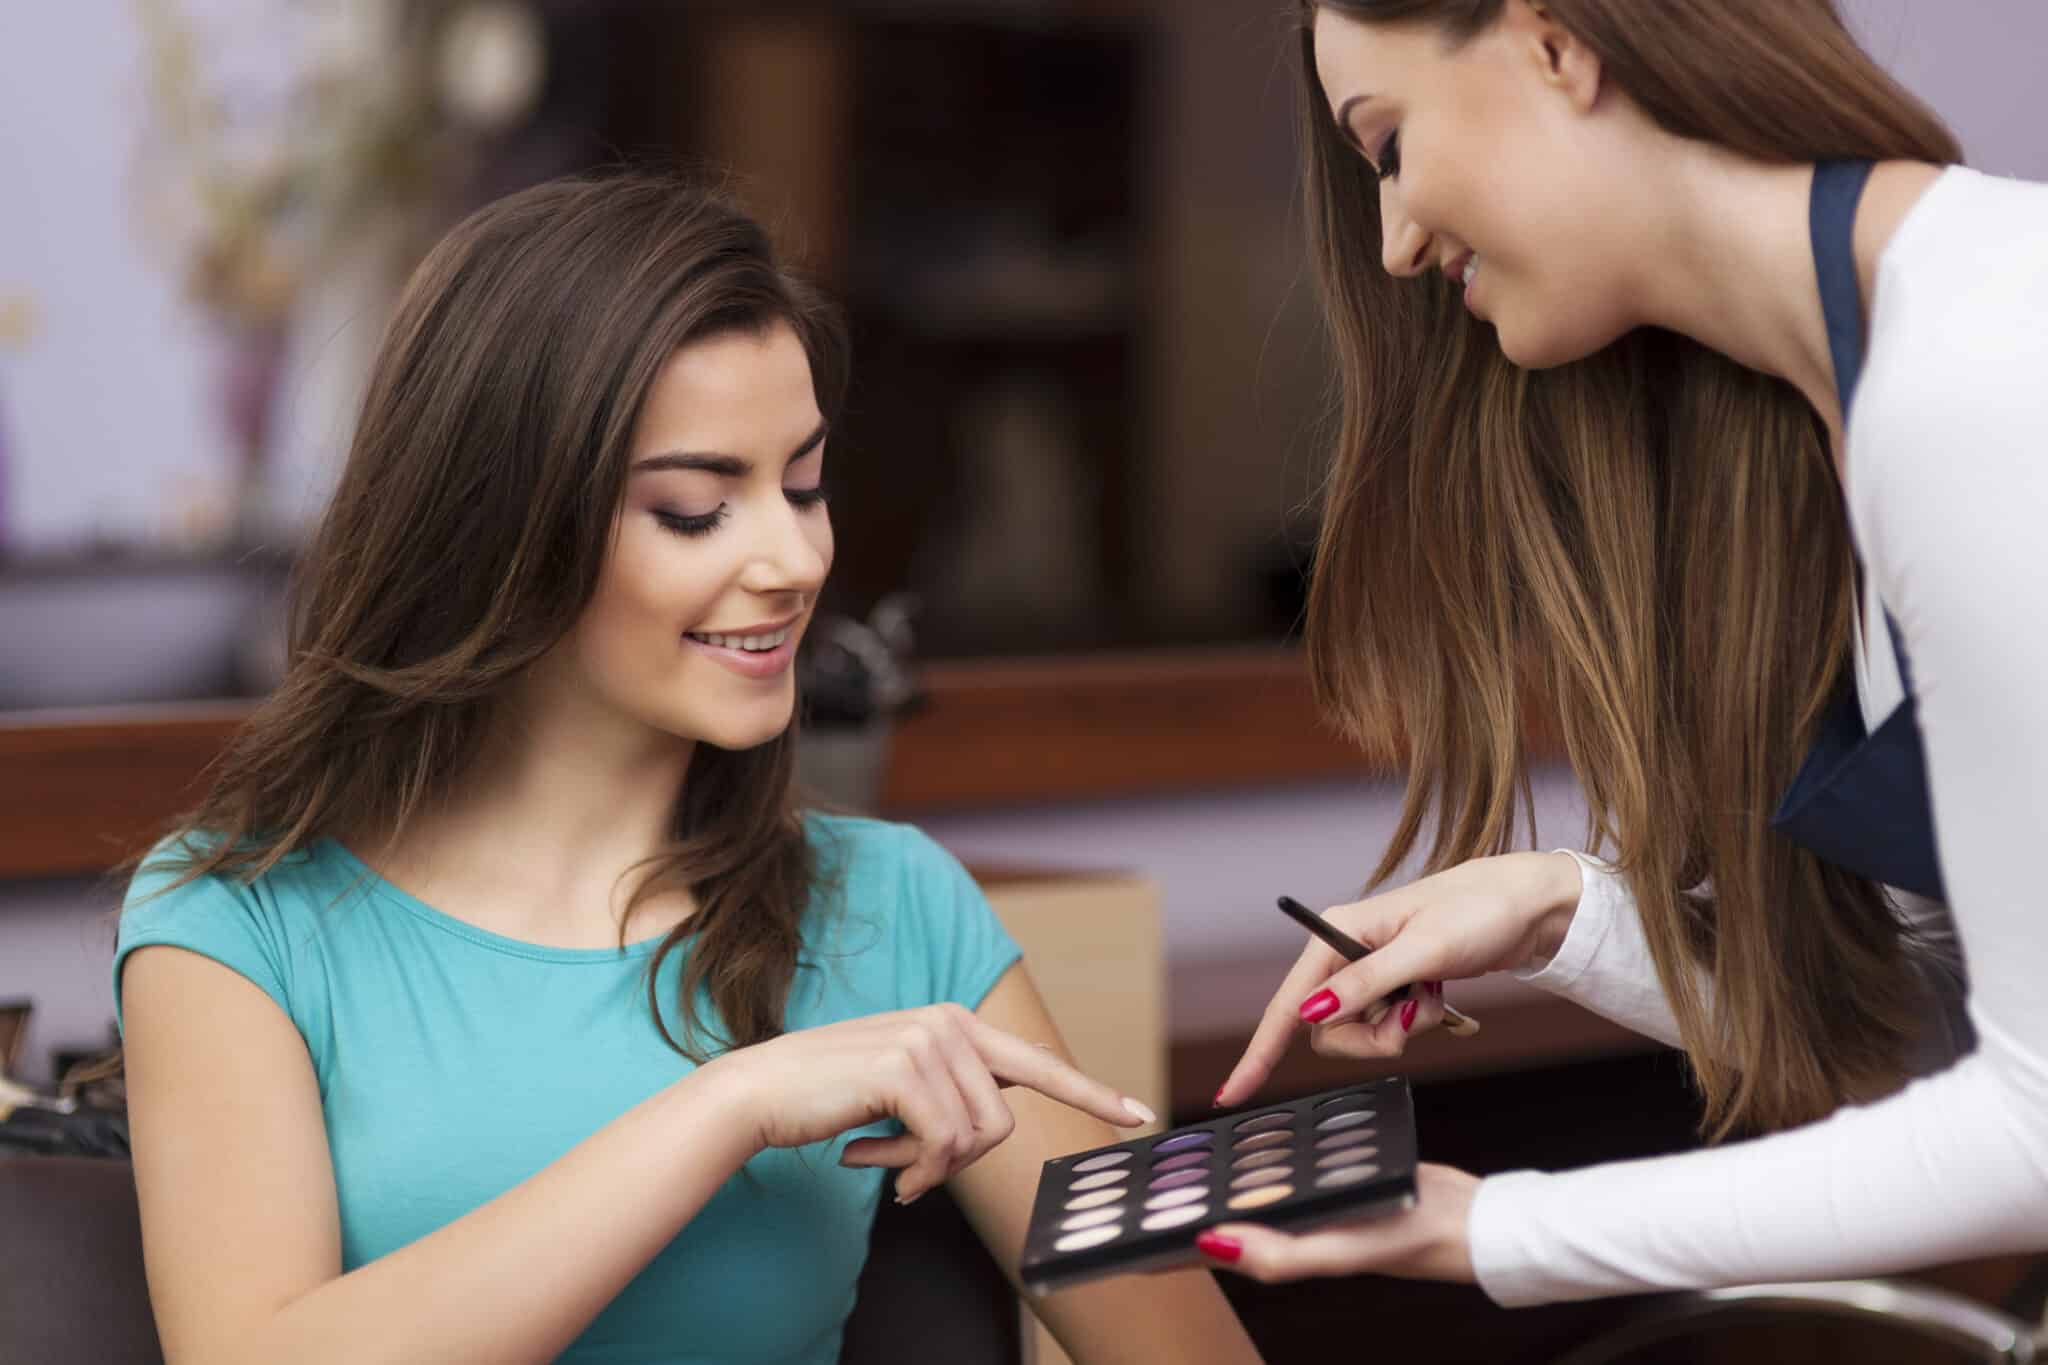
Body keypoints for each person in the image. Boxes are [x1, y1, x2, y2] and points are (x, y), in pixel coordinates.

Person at [116, 171, 1262, 1364]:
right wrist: (727, 1108)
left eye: (803, 486)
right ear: (502, 528)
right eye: (693, 511)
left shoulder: (889, 907)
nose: (793, 559)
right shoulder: (239, 922)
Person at [1204, 0, 2048, 1306]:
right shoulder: (1857, 420)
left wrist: (1496, 1234)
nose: (1395, 241)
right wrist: (1563, 913)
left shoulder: (1978, 376)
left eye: (1388, 145)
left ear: (1553, 41)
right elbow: (1935, 1045)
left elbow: (2029, 1127)